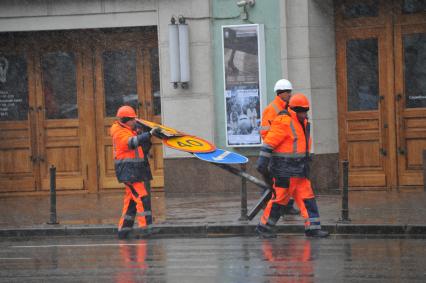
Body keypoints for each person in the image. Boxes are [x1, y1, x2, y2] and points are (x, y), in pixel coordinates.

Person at [255, 93, 329, 238]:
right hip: (284, 171)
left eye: (306, 110)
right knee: (279, 200)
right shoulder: (284, 122)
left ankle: (313, 228)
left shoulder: (303, 122)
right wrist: (262, 163)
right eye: (301, 111)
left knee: (308, 198)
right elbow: (269, 142)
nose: (304, 113)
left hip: (300, 170)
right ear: (294, 110)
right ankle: (264, 227)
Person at [110, 105, 157, 239]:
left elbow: (141, 147)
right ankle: (145, 228)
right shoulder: (119, 132)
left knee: (131, 202)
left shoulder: (128, 129)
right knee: (142, 197)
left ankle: (124, 230)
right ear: (124, 120)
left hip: (132, 171)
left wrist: (146, 134)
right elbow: (131, 143)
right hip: (128, 172)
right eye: (132, 119)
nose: (134, 121)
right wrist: (147, 134)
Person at [259, 79, 299, 216]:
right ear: (280, 93)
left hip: (287, 153)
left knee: (287, 180)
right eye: (287, 92)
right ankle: (268, 206)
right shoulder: (272, 109)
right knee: (276, 181)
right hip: (275, 152)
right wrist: (273, 146)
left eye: (290, 92)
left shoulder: (289, 108)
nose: (290, 94)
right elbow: (265, 132)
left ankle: (287, 206)